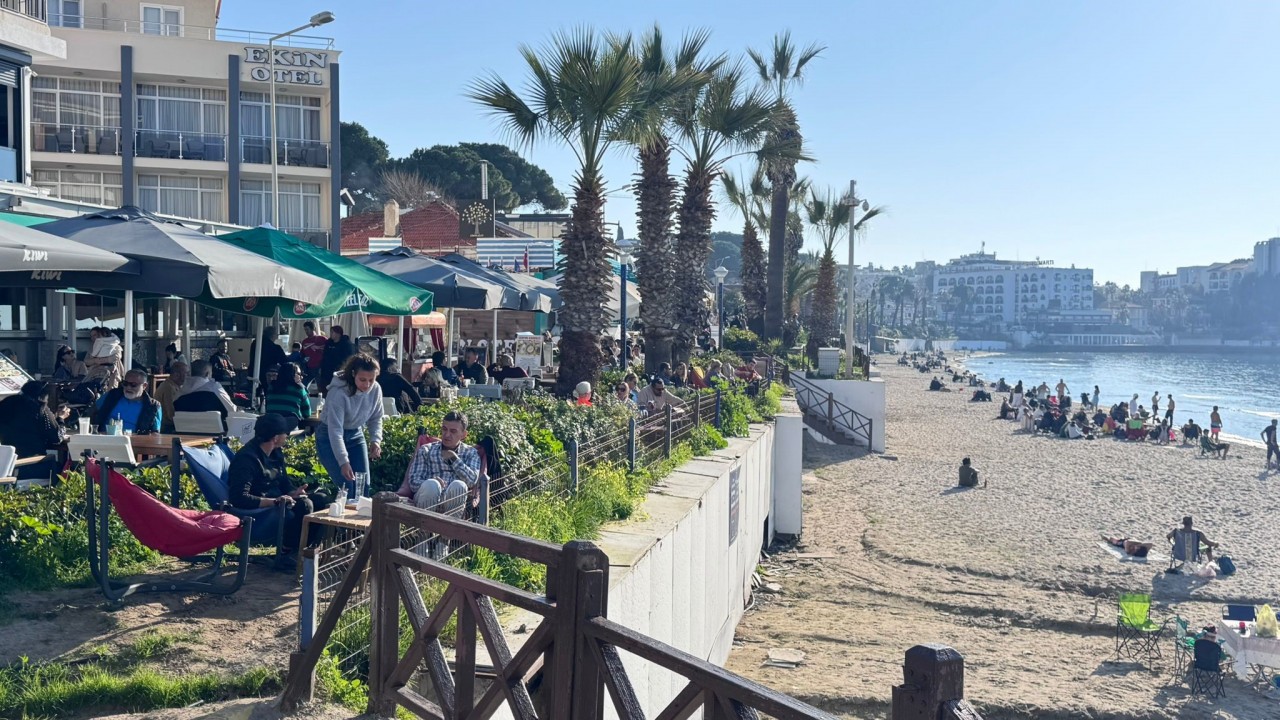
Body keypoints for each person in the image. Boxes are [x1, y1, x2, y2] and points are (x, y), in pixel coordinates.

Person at [227, 413, 321, 561]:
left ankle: (313, 549)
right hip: (261, 511)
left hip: (280, 502)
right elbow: (239, 498)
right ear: (275, 438)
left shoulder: (275, 453)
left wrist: (293, 492)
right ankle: (289, 551)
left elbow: (283, 482)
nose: (288, 436)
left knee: (321, 500)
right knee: (304, 505)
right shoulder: (246, 459)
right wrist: (275, 501)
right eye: (286, 433)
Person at [317, 353, 384, 489]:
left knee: (363, 485)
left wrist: (375, 440)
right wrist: (343, 461)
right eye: (362, 379)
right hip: (328, 436)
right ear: (353, 374)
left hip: (355, 432)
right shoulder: (338, 393)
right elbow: (335, 431)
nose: (367, 385)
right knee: (347, 485)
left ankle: (361, 510)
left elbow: (376, 417)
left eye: (371, 380)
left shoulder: (375, 389)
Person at [402, 411, 481, 518]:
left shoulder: (470, 453)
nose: (447, 434)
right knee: (432, 485)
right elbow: (413, 482)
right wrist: (433, 481)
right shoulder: (426, 450)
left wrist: (454, 459)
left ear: (464, 434)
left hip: (453, 501)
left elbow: (472, 481)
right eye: (444, 429)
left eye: (453, 431)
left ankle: (449, 533)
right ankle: (423, 532)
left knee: (459, 485)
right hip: (428, 499)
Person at [0, 381, 66, 480]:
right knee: (66, 469)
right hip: (33, 464)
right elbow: (57, 437)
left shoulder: (6, 404)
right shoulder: (39, 408)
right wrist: (61, 418)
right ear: (41, 397)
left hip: (8, 465)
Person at [92, 369, 161, 434]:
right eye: (125, 383)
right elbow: (91, 412)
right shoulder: (112, 396)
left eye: (133, 385)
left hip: (135, 443)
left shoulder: (153, 406)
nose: (128, 387)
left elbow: (155, 433)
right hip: (105, 440)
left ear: (144, 386)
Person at [85, 327, 124, 391]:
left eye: (95, 335)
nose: (93, 338)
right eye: (91, 336)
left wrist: (102, 360)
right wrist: (95, 360)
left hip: (111, 375)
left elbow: (116, 357)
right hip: (95, 376)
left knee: (109, 393)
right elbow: (86, 361)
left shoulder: (114, 345)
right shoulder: (91, 349)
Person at [153, 360, 188, 433]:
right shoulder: (168, 388)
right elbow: (171, 415)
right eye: (186, 374)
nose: (188, 376)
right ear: (177, 375)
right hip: (167, 428)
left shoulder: (174, 386)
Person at [318, 325, 354, 393]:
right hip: (326, 372)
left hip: (339, 371)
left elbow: (348, 358)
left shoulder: (346, 344)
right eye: (330, 332)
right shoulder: (328, 343)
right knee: (325, 390)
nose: (331, 334)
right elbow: (324, 356)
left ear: (338, 334)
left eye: (332, 332)